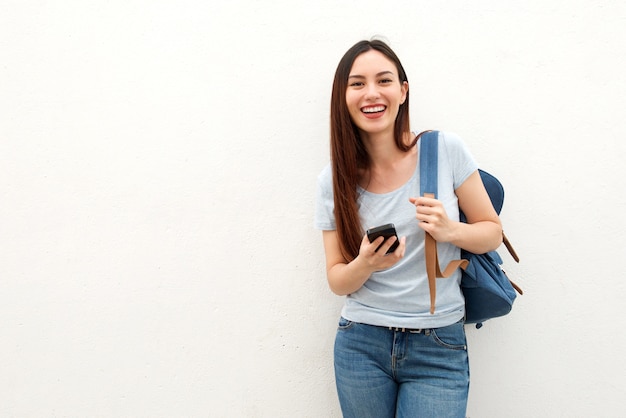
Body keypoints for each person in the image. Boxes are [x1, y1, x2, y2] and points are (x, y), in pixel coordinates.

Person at [314, 39, 503, 418]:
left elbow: (491, 232)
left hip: (438, 346)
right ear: (343, 96)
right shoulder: (333, 181)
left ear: (402, 91)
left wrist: (450, 231)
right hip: (360, 344)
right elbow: (337, 280)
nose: (371, 93)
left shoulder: (444, 149)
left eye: (384, 80)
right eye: (357, 83)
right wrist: (366, 263)